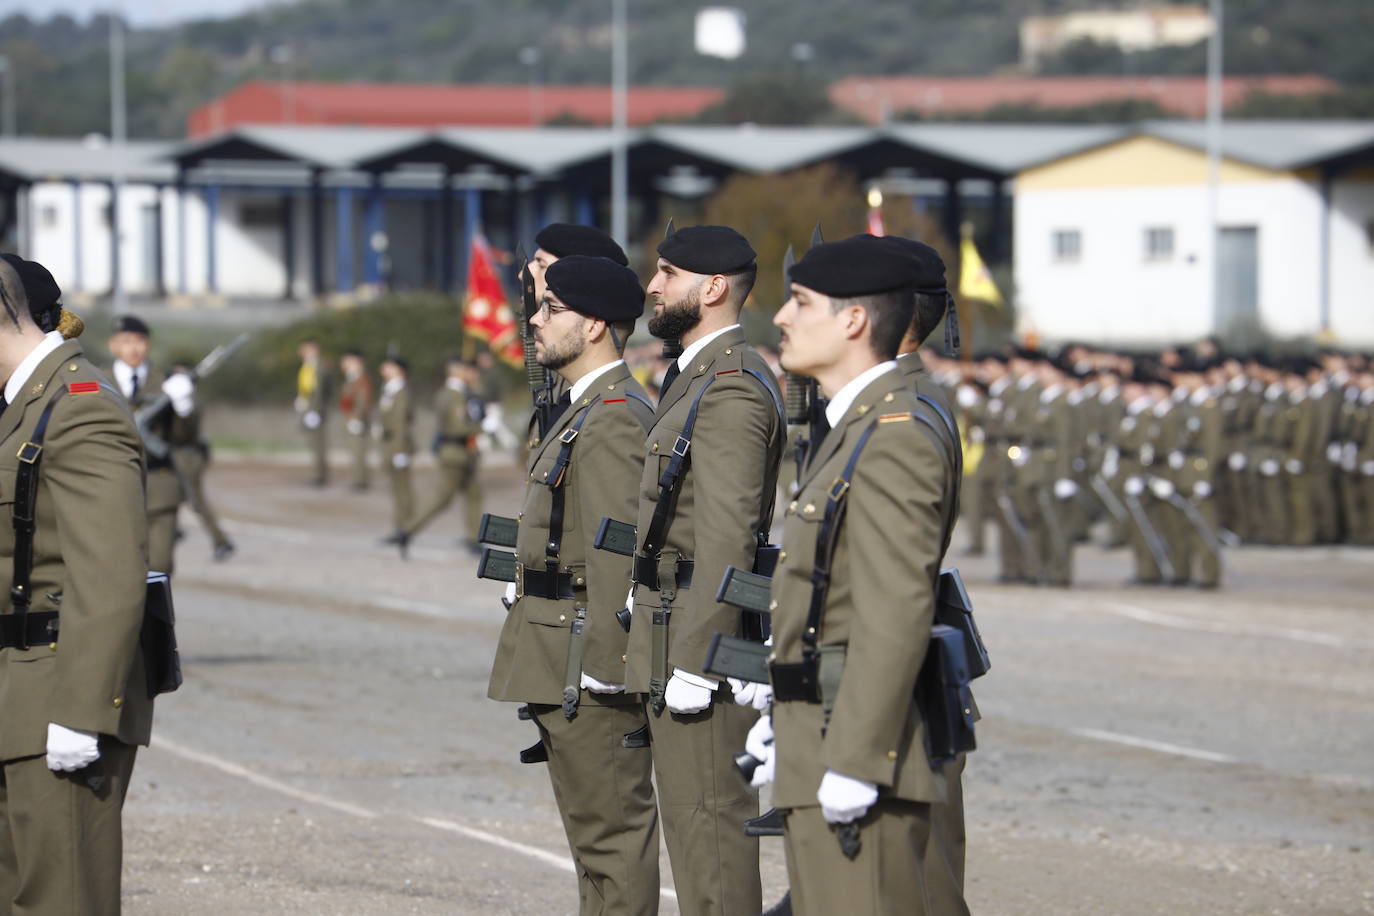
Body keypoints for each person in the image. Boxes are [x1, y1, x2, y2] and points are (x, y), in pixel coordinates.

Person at [764, 235, 964, 914]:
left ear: (853, 321)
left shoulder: (894, 435)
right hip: (818, 730)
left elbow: (893, 610)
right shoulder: (860, 427)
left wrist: (855, 757)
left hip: (849, 744)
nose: (782, 318)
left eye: (800, 302)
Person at [488, 255, 660, 914]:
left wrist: (611, 664)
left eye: (552, 309)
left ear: (593, 326)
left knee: (612, 842)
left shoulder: (615, 415)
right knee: (592, 847)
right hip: (562, 646)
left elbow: (619, 550)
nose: (535, 319)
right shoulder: (584, 408)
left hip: (588, 661)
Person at [624, 224, 784, 915]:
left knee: (709, 838)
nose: (653, 285)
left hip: (700, 644)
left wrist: (699, 657)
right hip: (674, 625)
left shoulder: (733, 387)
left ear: (713, 288)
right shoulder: (696, 376)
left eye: (667, 272)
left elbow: (727, 535)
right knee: (693, 840)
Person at [0, 256, 153, 912]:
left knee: (62, 900)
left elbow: (110, 572)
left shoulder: (79, 407)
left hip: (57, 702)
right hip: (17, 693)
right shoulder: (23, 405)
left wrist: (83, 713)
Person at [107, 314, 196, 577]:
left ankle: (154, 620)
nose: (133, 348)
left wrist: (184, 407)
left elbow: (184, 438)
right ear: (113, 345)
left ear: (148, 345)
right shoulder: (94, 379)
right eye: (125, 341)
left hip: (158, 485)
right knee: (116, 569)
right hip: (112, 487)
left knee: (160, 567)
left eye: (139, 341)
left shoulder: (166, 382)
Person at [396, 358, 483, 554]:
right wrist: (480, 428)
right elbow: (458, 427)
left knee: (474, 495)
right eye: (466, 369)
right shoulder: (453, 396)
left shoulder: (461, 393)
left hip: (466, 453)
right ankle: (408, 530)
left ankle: (474, 538)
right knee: (443, 498)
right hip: (455, 452)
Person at [167, 359, 235, 562]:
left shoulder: (188, 400)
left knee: (197, 502)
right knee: (170, 494)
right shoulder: (181, 397)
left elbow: (182, 432)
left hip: (188, 456)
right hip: (181, 454)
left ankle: (221, 541)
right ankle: (173, 530)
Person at [377, 356, 415, 548]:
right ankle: (400, 526)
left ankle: (406, 527)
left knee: (402, 489)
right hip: (390, 443)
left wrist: (400, 450)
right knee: (396, 488)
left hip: (398, 445)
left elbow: (400, 423)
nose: (383, 369)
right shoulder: (389, 389)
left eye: (389, 366)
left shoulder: (400, 391)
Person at [295, 338, 331, 487]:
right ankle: (317, 473)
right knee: (313, 443)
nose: (301, 352)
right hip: (308, 405)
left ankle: (320, 475)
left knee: (318, 443)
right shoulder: (307, 365)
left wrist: (316, 411)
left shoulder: (320, 366)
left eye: (305, 349)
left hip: (316, 409)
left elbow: (321, 391)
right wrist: (301, 399)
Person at [338, 349, 374, 492]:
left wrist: (357, 417)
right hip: (351, 417)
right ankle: (358, 479)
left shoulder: (361, 378)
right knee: (354, 450)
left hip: (358, 419)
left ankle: (360, 481)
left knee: (359, 450)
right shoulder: (351, 378)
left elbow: (363, 400)